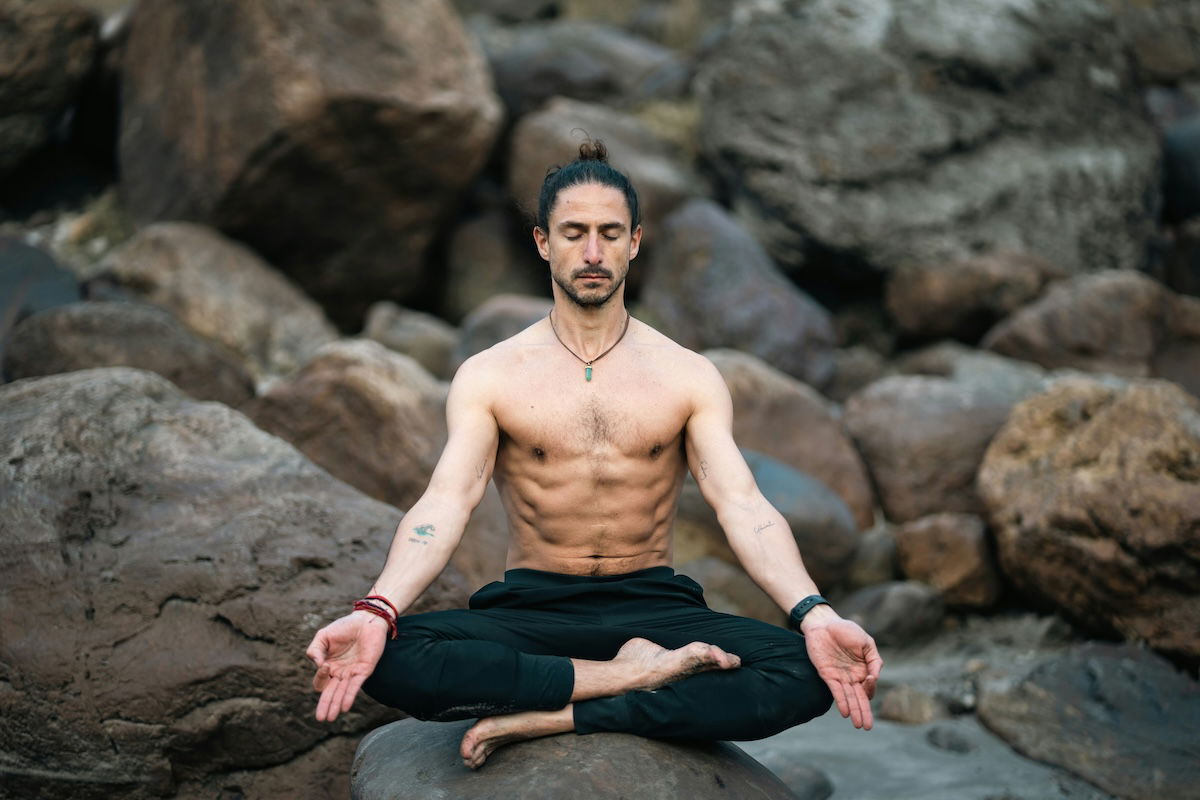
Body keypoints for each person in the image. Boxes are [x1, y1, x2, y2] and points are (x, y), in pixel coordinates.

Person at [305, 140, 883, 769]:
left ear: (635, 241)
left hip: (655, 607)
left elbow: (743, 504)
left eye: (609, 234)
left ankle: (565, 709)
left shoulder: (686, 375)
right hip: (532, 608)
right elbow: (446, 501)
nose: (591, 252)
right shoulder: (492, 375)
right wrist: (376, 609)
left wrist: (815, 613)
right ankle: (623, 681)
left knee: (805, 670)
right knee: (386, 657)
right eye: (573, 232)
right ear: (542, 242)